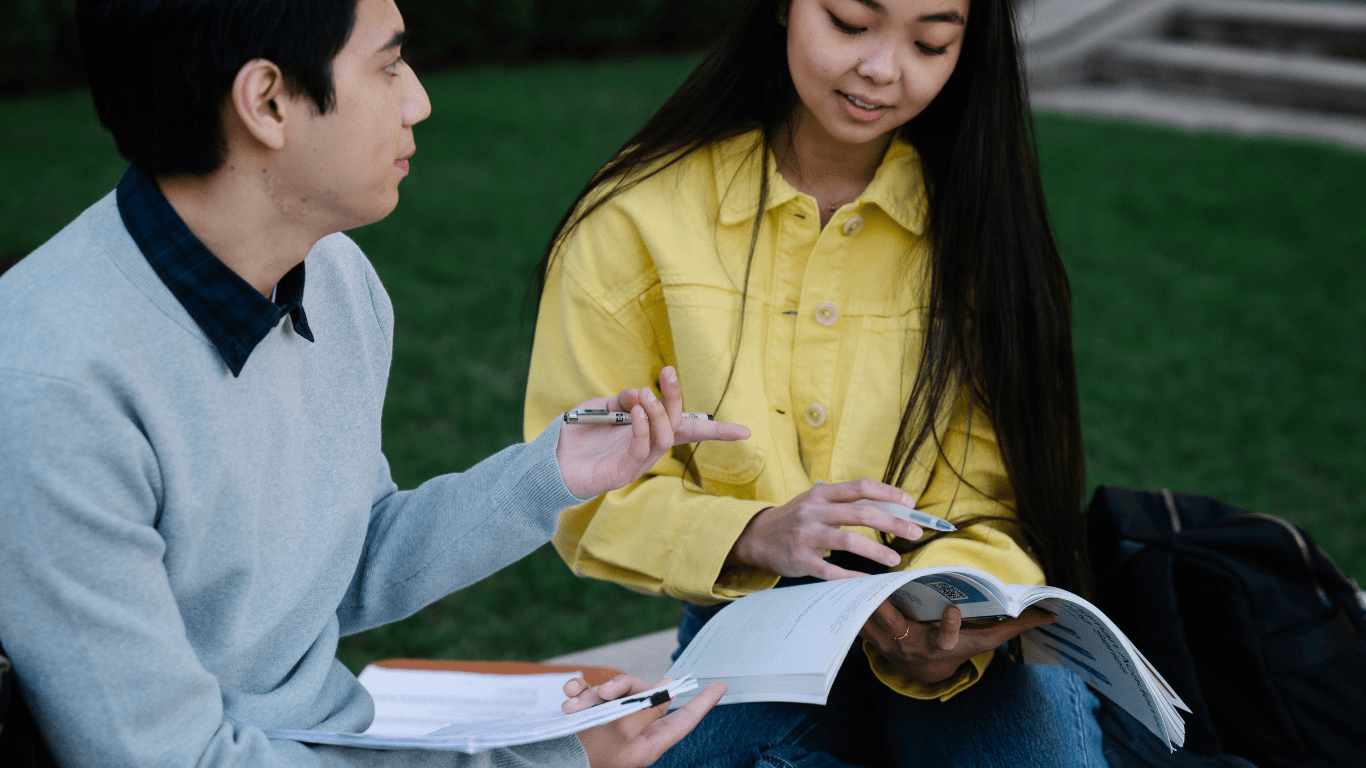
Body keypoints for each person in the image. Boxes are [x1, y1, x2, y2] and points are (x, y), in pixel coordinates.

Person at [0, 1, 745, 766]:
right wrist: (548, 759)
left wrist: (548, 474)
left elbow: (334, 566)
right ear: (267, 102)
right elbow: (173, 758)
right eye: (388, 65)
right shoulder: (51, 388)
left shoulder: (332, 275)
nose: (418, 98)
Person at [524, 0, 1105, 765]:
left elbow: (1000, 499)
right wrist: (756, 532)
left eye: (931, 42)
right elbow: (579, 489)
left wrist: (945, 622)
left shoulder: (983, 232)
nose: (882, 68)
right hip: (753, 623)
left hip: (945, 626)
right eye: (849, 21)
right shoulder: (637, 218)